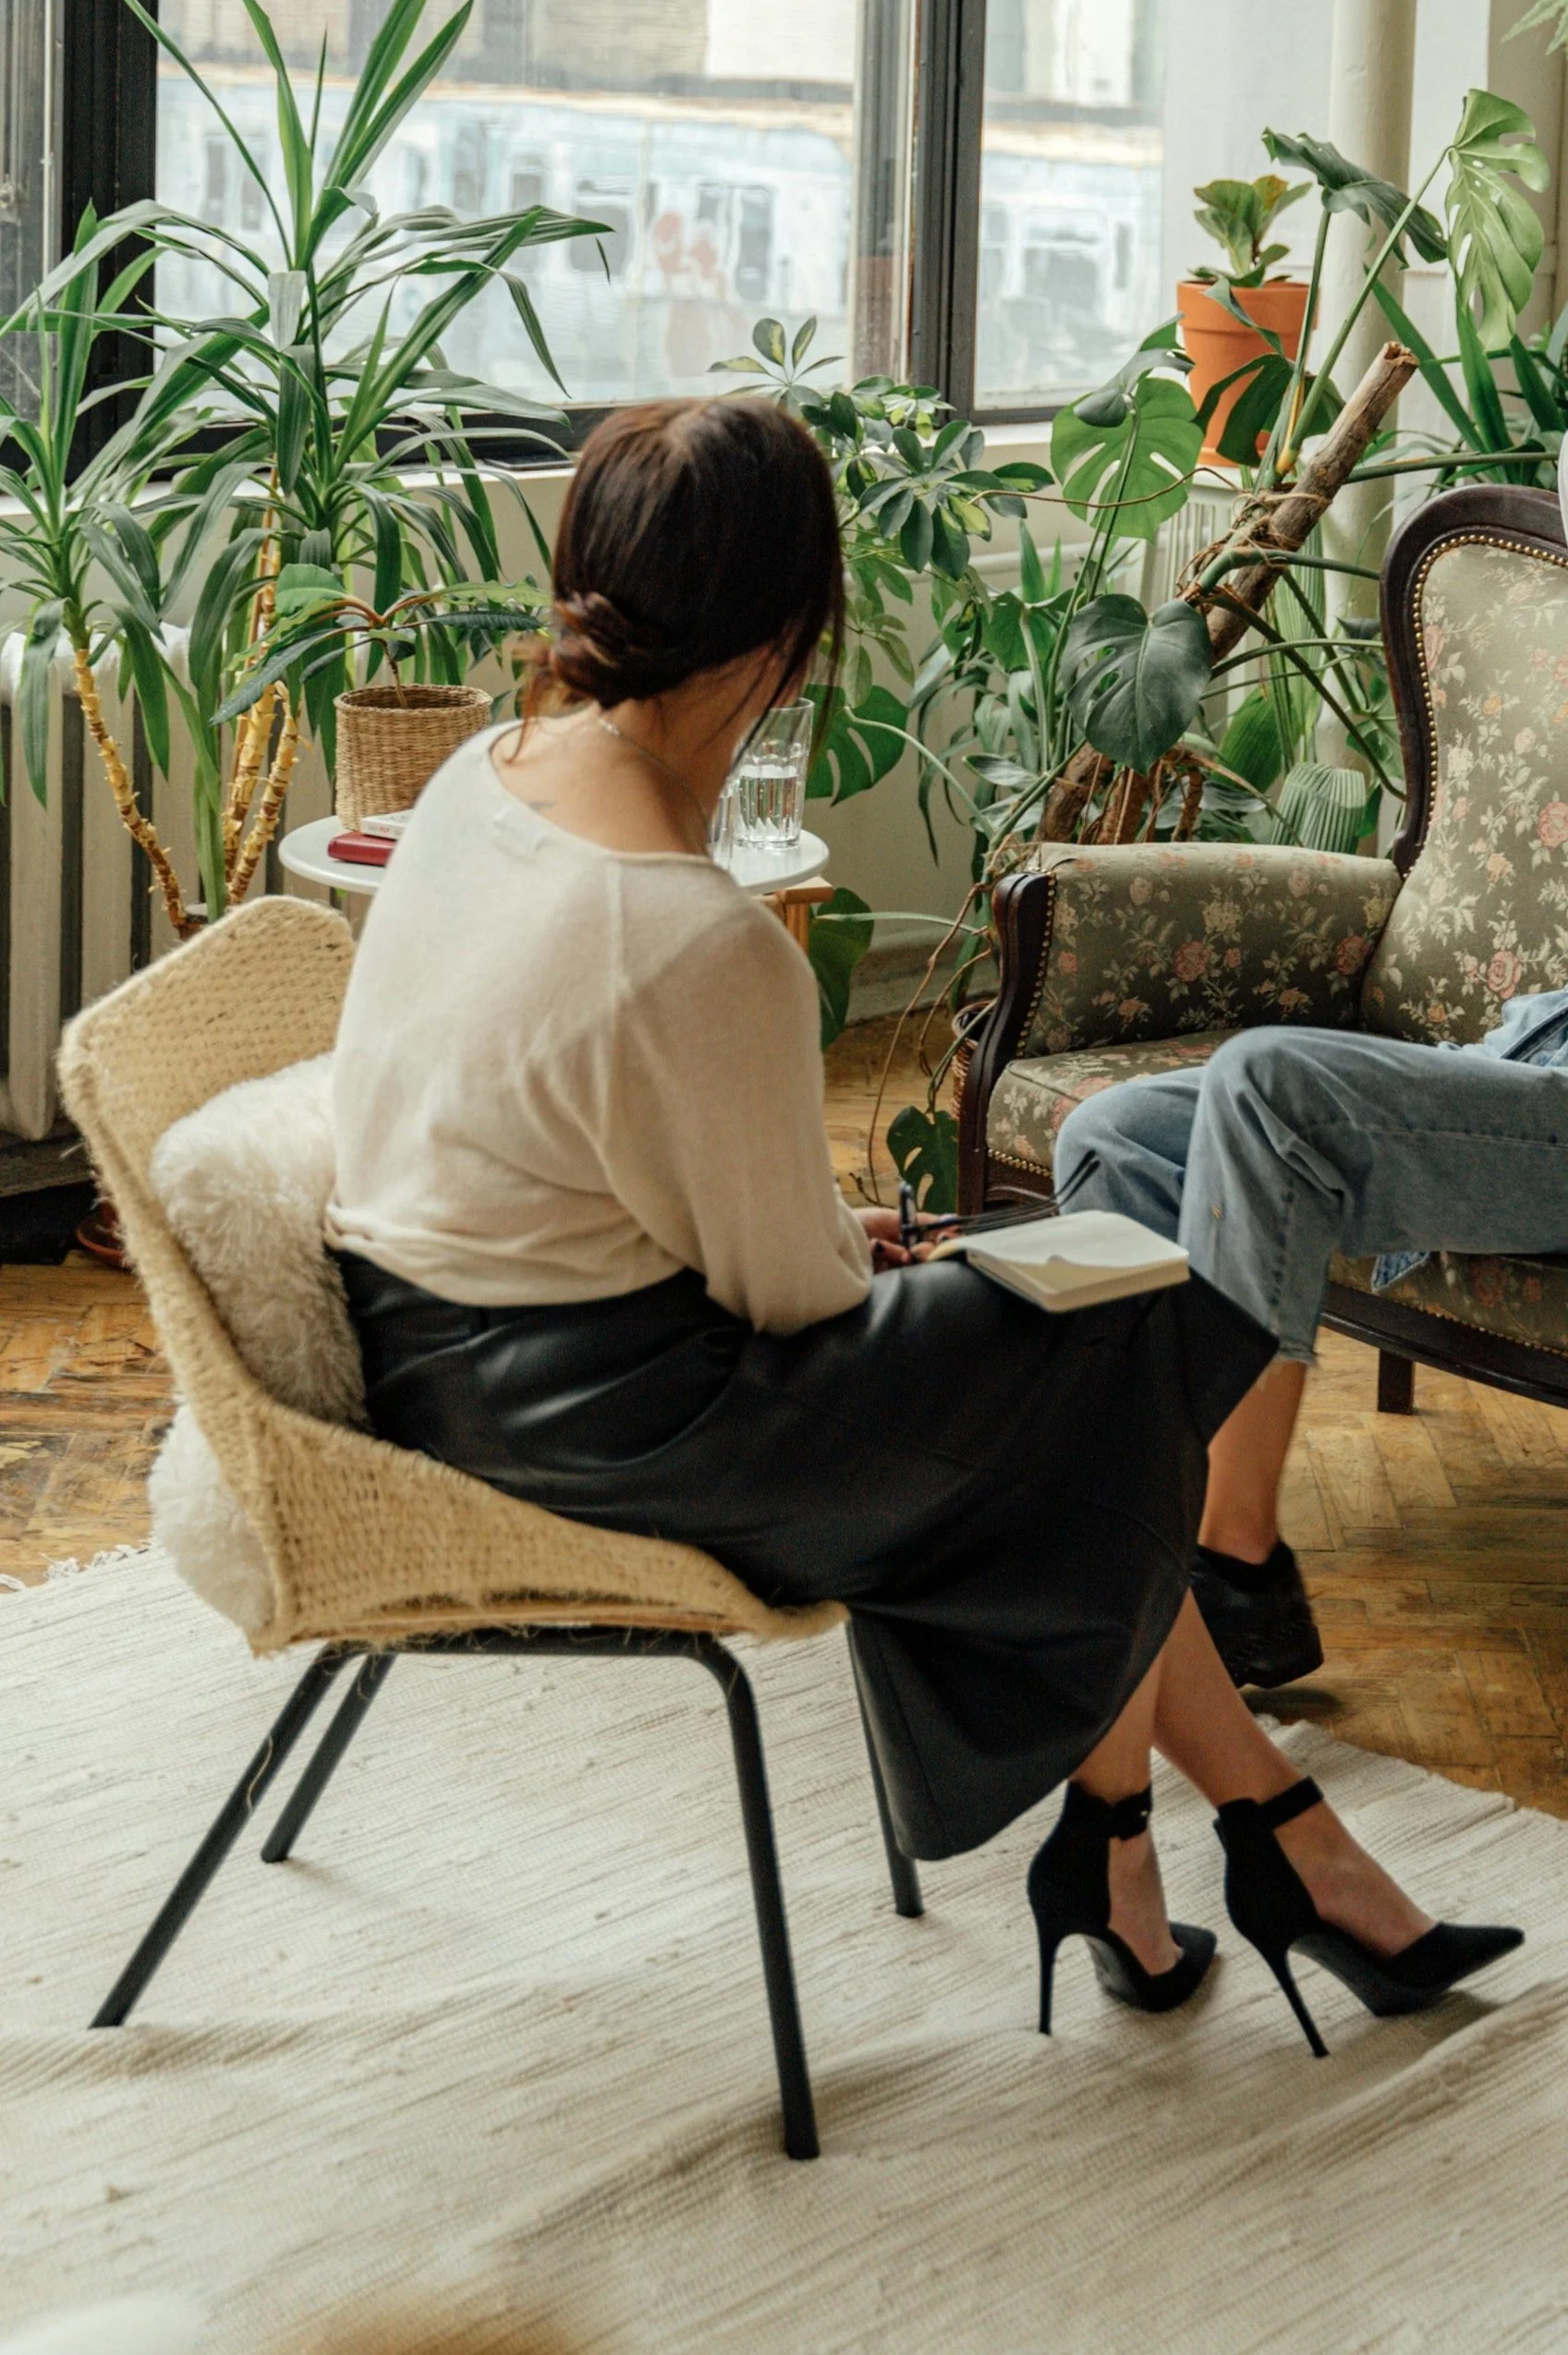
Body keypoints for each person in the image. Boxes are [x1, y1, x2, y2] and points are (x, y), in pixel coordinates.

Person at [327, 396, 1520, 2057]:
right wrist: (882, 1254)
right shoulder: (686, 930)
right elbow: (792, 1295)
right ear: (787, 635)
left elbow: (609, 1167)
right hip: (611, 1420)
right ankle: (1246, 1849)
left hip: (427, 1348)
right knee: (1109, 1359)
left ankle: (1203, 1853)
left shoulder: (480, 776)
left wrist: (864, 1253)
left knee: (1087, 1356)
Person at [1054, 1006, 1568, 1691]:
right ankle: (1158, 1533)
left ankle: (1238, 1570)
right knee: (1112, 1135)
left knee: (1267, 1084)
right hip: (1513, 1049)